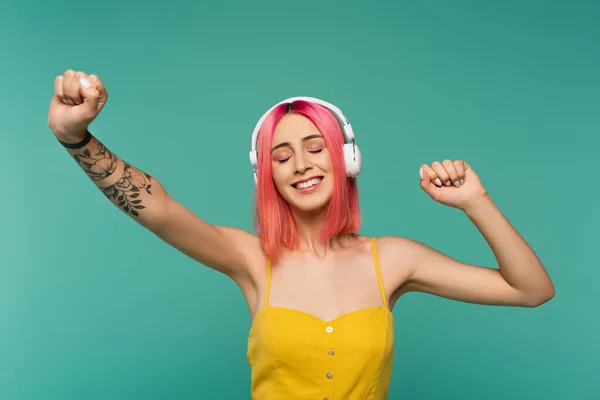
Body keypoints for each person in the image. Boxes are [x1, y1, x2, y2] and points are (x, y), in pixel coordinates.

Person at [47, 70, 555, 400]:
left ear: (345, 158)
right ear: (266, 174)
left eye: (316, 147)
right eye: (282, 155)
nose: (301, 165)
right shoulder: (250, 259)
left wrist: (475, 203)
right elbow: (157, 208)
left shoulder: (394, 260)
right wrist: (75, 137)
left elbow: (531, 289)